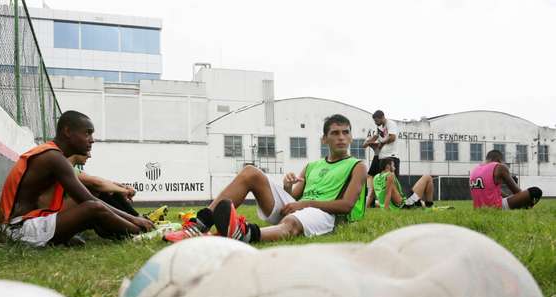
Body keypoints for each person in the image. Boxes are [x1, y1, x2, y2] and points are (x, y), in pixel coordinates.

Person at [163, 114, 367, 243]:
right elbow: (293, 199)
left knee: (291, 221)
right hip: (300, 207)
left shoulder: (357, 166)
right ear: (325, 139)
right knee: (250, 171)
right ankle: (199, 224)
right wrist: (287, 188)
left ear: (350, 137)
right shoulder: (312, 166)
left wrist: (305, 204)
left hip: (324, 215)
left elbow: (346, 205)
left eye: (345, 133)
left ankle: (246, 235)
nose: (341, 137)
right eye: (335, 133)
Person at [0, 111, 153, 247]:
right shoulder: (52, 156)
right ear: (67, 131)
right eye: (87, 133)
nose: (92, 140)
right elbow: (87, 200)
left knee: (94, 203)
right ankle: (140, 232)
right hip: (17, 229)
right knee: (93, 208)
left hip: (34, 222)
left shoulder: (55, 156)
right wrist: (135, 220)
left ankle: (128, 230)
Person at [67, 153, 141, 217]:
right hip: (60, 213)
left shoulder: (72, 167)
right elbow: (96, 183)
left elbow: (97, 182)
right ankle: (133, 221)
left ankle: (135, 217)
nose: (89, 155)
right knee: (98, 191)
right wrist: (124, 190)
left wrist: (121, 188)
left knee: (107, 189)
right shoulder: (66, 165)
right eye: (86, 151)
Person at [469, 149, 542, 209]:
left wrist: (508, 197)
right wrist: (523, 200)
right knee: (535, 191)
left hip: (478, 208)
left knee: (508, 198)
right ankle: (527, 208)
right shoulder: (499, 167)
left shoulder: (474, 170)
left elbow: (489, 190)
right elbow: (516, 192)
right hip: (495, 207)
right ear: (499, 160)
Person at [363, 110, 399, 208]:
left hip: (390, 156)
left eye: (376, 120)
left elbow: (392, 137)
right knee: (377, 179)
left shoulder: (390, 124)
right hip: (381, 157)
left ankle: (393, 204)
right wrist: (367, 142)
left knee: (390, 182)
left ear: (382, 117)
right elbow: (375, 136)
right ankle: (373, 200)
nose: (375, 123)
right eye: (374, 121)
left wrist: (381, 143)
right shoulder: (380, 127)